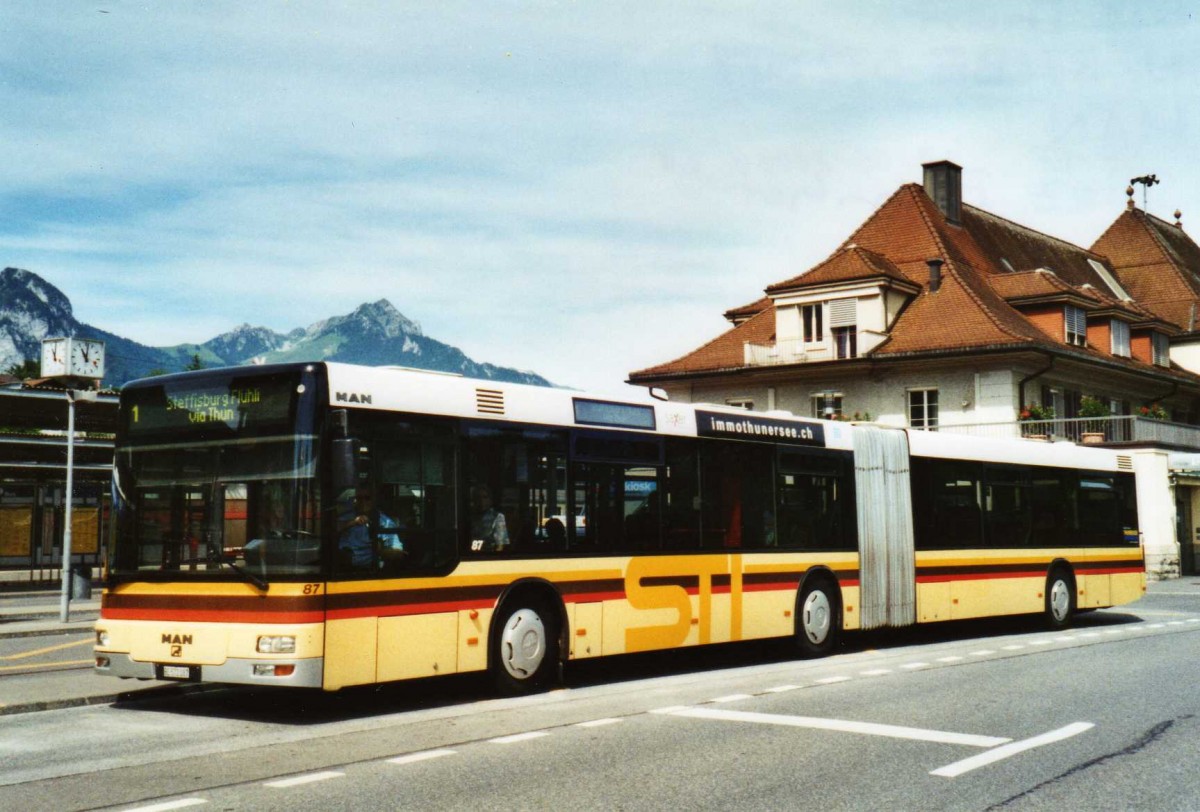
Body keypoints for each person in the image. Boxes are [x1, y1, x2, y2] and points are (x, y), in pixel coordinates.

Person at [338, 486, 403, 568]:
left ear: (374, 500)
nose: (363, 502)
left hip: (370, 568)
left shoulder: (385, 522)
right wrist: (353, 522)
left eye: (367, 498)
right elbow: (330, 528)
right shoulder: (347, 517)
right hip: (343, 566)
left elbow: (398, 552)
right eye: (359, 498)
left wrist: (380, 550)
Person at [469, 485, 509, 552]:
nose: (481, 501)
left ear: (490, 500)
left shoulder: (498, 517)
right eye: (478, 497)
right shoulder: (469, 517)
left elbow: (500, 545)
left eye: (485, 497)